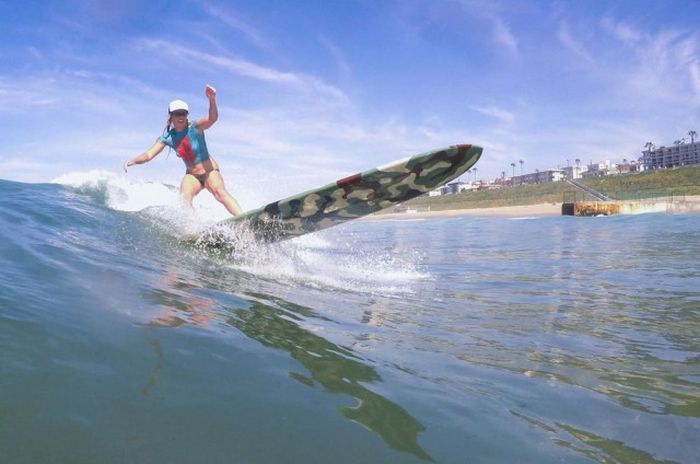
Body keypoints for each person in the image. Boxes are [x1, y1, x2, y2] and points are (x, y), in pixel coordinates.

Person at [123, 84, 242, 216]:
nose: (180, 117)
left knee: (219, 193)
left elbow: (212, 118)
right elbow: (149, 155)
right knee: (184, 198)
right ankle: (193, 228)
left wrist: (212, 99)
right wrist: (132, 161)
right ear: (171, 116)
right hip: (192, 176)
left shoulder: (195, 127)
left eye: (183, 113)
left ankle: (243, 218)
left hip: (210, 171)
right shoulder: (167, 137)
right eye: (177, 114)